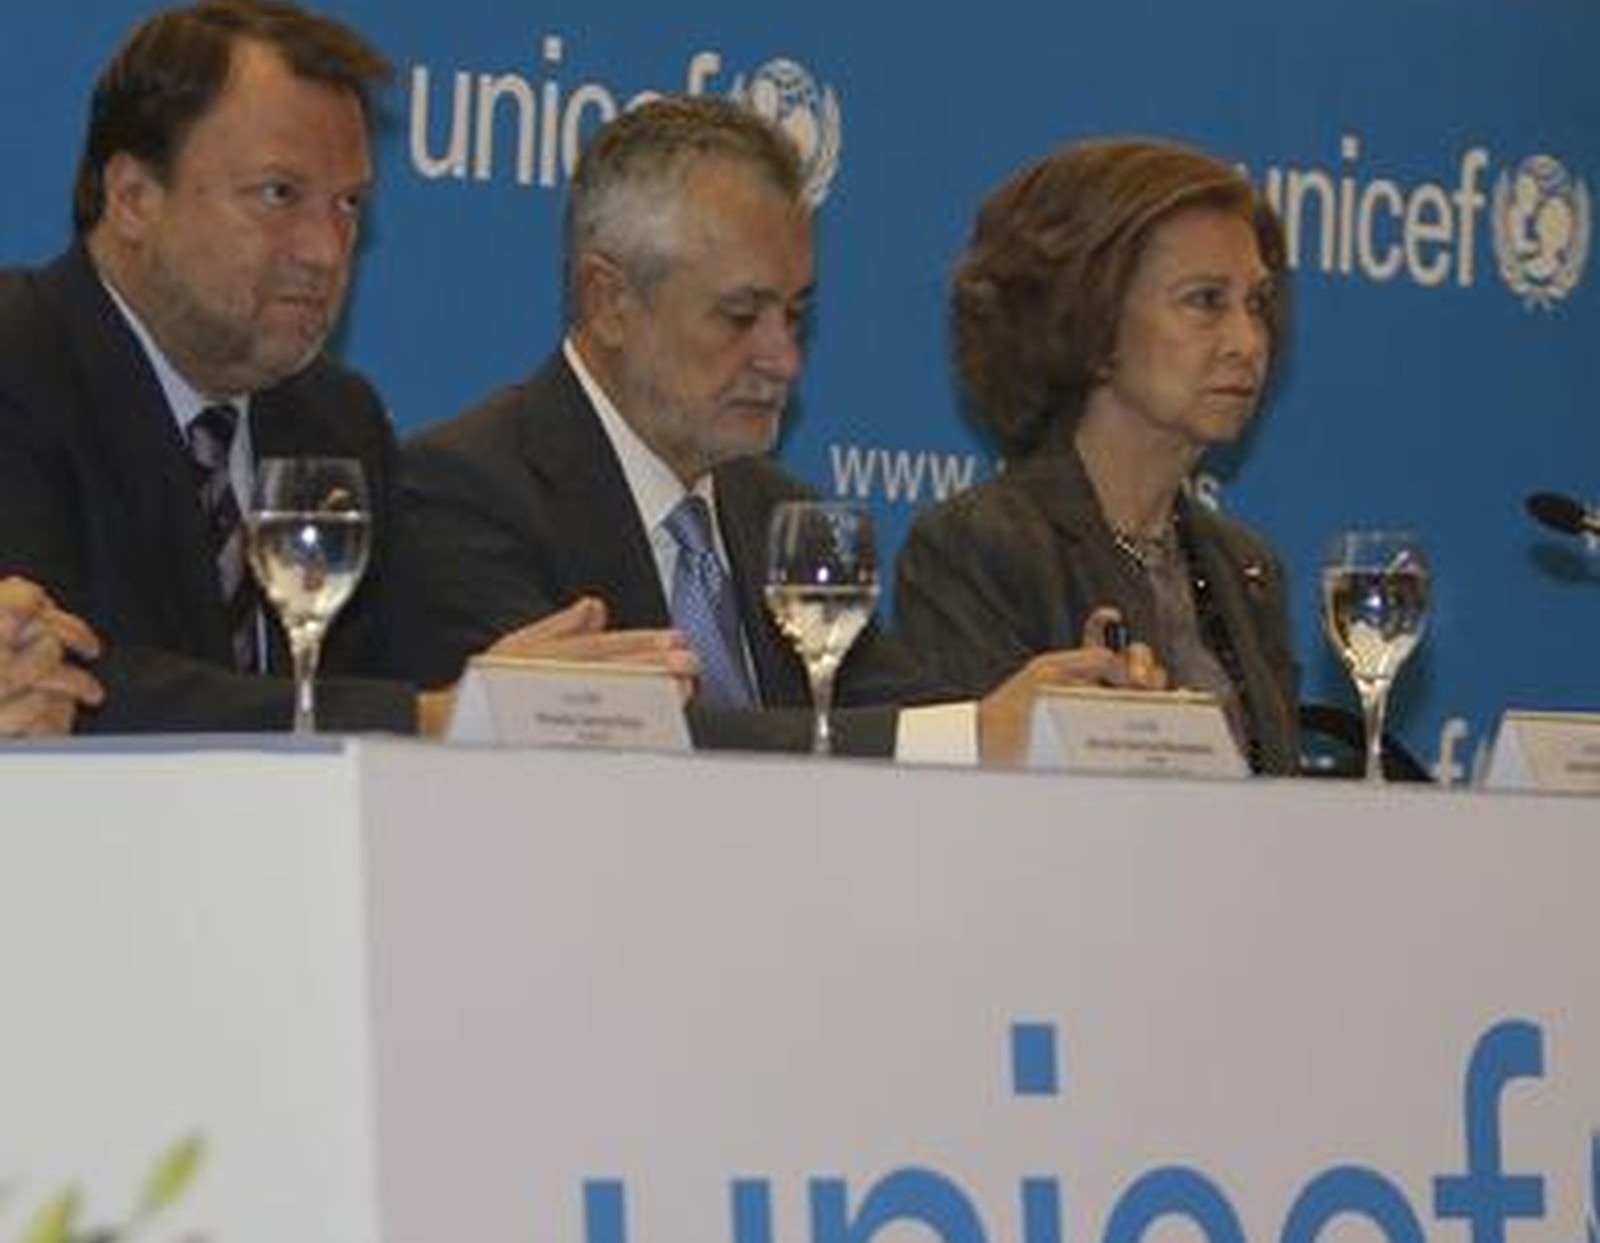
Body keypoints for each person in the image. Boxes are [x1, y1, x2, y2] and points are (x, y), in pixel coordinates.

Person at [0, 0, 686, 735]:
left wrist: (510, 692)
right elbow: (71, 682)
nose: (326, 250)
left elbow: (399, 673)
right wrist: (423, 717)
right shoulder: (21, 359)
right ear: (132, 196)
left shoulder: (335, 418)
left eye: (349, 204)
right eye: (279, 194)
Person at [396, 95, 1095, 762]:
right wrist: (971, 735)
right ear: (608, 300)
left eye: (794, 315)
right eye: (739, 316)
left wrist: (1056, 714)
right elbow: (603, 735)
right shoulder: (465, 489)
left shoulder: (779, 515)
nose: (784, 359)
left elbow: (892, 709)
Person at [894, 137, 1301, 774]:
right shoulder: (975, 549)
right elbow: (962, 812)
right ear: (1091, 317)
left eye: (1256, 304)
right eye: (1205, 301)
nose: (1248, 341)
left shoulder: (1248, 570)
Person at [0, 577, 102, 736]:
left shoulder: (48, 625)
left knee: (57, 700)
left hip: (40, 733)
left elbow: (92, 648)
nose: (13, 623)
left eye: (17, 614)